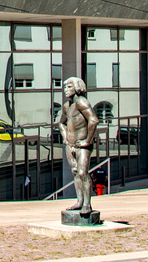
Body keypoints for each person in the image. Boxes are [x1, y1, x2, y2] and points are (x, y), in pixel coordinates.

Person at [57, 76, 101, 216]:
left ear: (76, 87)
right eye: (64, 87)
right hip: (70, 144)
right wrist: (65, 137)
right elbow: (61, 123)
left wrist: (87, 140)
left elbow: (93, 120)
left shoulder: (81, 102)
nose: (65, 90)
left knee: (83, 173)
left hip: (82, 145)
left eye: (69, 87)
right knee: (75, 172)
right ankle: (80, 201)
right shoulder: (66, 106)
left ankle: (87, 204)